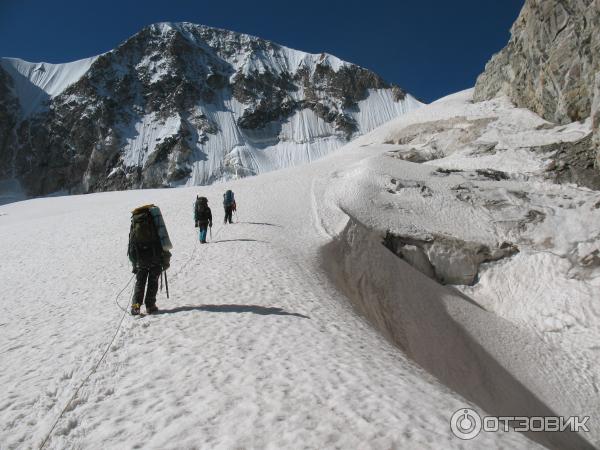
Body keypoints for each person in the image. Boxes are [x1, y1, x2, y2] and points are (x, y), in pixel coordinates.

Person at [128, 204, 172, 315]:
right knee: (153, 282)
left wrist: (134, 263)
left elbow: (131, 244)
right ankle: (150, 306)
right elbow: (163, 237)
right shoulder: (153, 218)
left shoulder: (135, 221)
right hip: (154, 255)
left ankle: (135, 307)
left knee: (140, 283)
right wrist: (165, 258)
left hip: (140, 257)